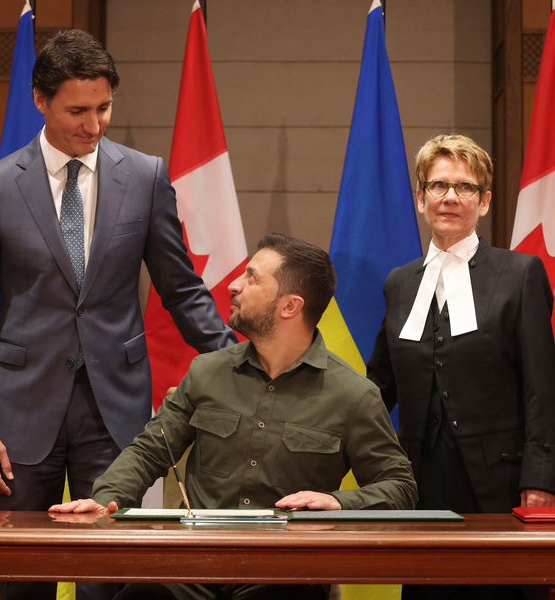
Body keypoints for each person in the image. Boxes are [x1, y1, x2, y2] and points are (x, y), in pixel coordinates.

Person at [0, 29, 237, 600]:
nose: (94, 125)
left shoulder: (146, 176)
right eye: (77, 111)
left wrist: (239, 362)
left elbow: (181, 290)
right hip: (18, 416)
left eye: (104, 108)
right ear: (41, 100)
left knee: (108, 578)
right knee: (23, 580)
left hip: (115, 410)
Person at [51, 234, 418, 600]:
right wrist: (108, 498)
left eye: (252, 278)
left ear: (290, 306)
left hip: (286, 571)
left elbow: (400, 487)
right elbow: (149, 451)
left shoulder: (353, 395)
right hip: (192, 564)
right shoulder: (206, 372)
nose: (234, 285)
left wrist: (339, 503)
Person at [367, 134, 555, 600]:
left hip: (502, 486)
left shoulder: (520, 274)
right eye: (438, 185)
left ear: (484, 201)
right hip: (420, 485)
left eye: (465, 187)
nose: (450, 197)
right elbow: (377, 387)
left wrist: (540, 480)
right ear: (420, 198)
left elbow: (542, 388)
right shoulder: (399, 283)